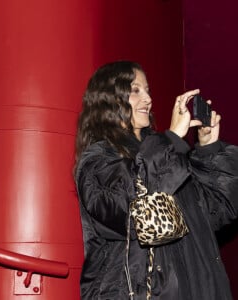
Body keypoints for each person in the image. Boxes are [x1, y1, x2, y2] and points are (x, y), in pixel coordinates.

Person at [74, 60, 238, 300]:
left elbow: (216, 211)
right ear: (108, 99)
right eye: (135, 90)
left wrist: (208, 150)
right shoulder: (99, 159)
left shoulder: (168, 158)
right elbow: (133, 207)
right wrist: (171, 141)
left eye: (148, 90)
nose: (148, 99)